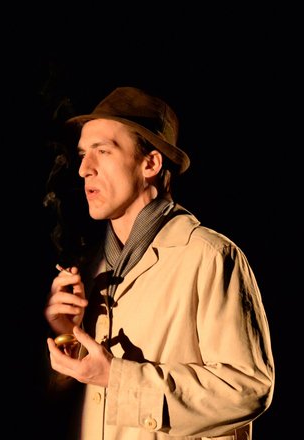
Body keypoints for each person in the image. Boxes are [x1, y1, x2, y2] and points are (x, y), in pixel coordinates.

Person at [43, 86, 275, 439]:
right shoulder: (92, 269)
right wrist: (68, 333)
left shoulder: (209, 256)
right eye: (83, 154)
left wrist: (117, 377)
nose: (84, 169)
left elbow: (248, 389)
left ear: (150, 163)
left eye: (103, 151)